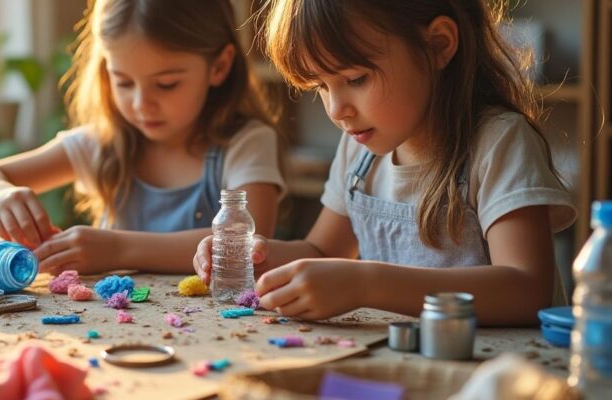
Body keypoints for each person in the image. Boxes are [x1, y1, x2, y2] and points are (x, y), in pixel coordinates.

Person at [193, 0, 576, 326]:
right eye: (320, 87)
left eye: (356, 79)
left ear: (439, 45)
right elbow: (323, 251)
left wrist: (367, 283)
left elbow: (526, 290)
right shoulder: (357, 151)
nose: (336, 109)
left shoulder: (498, 143)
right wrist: (258, 259)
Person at [0, 0, 285, 275]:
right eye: (124, 82)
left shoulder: (246, 143)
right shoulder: (101, 143)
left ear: (219, 66)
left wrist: (117, 249)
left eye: (166, 83)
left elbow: (247, 242)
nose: (142, 104)